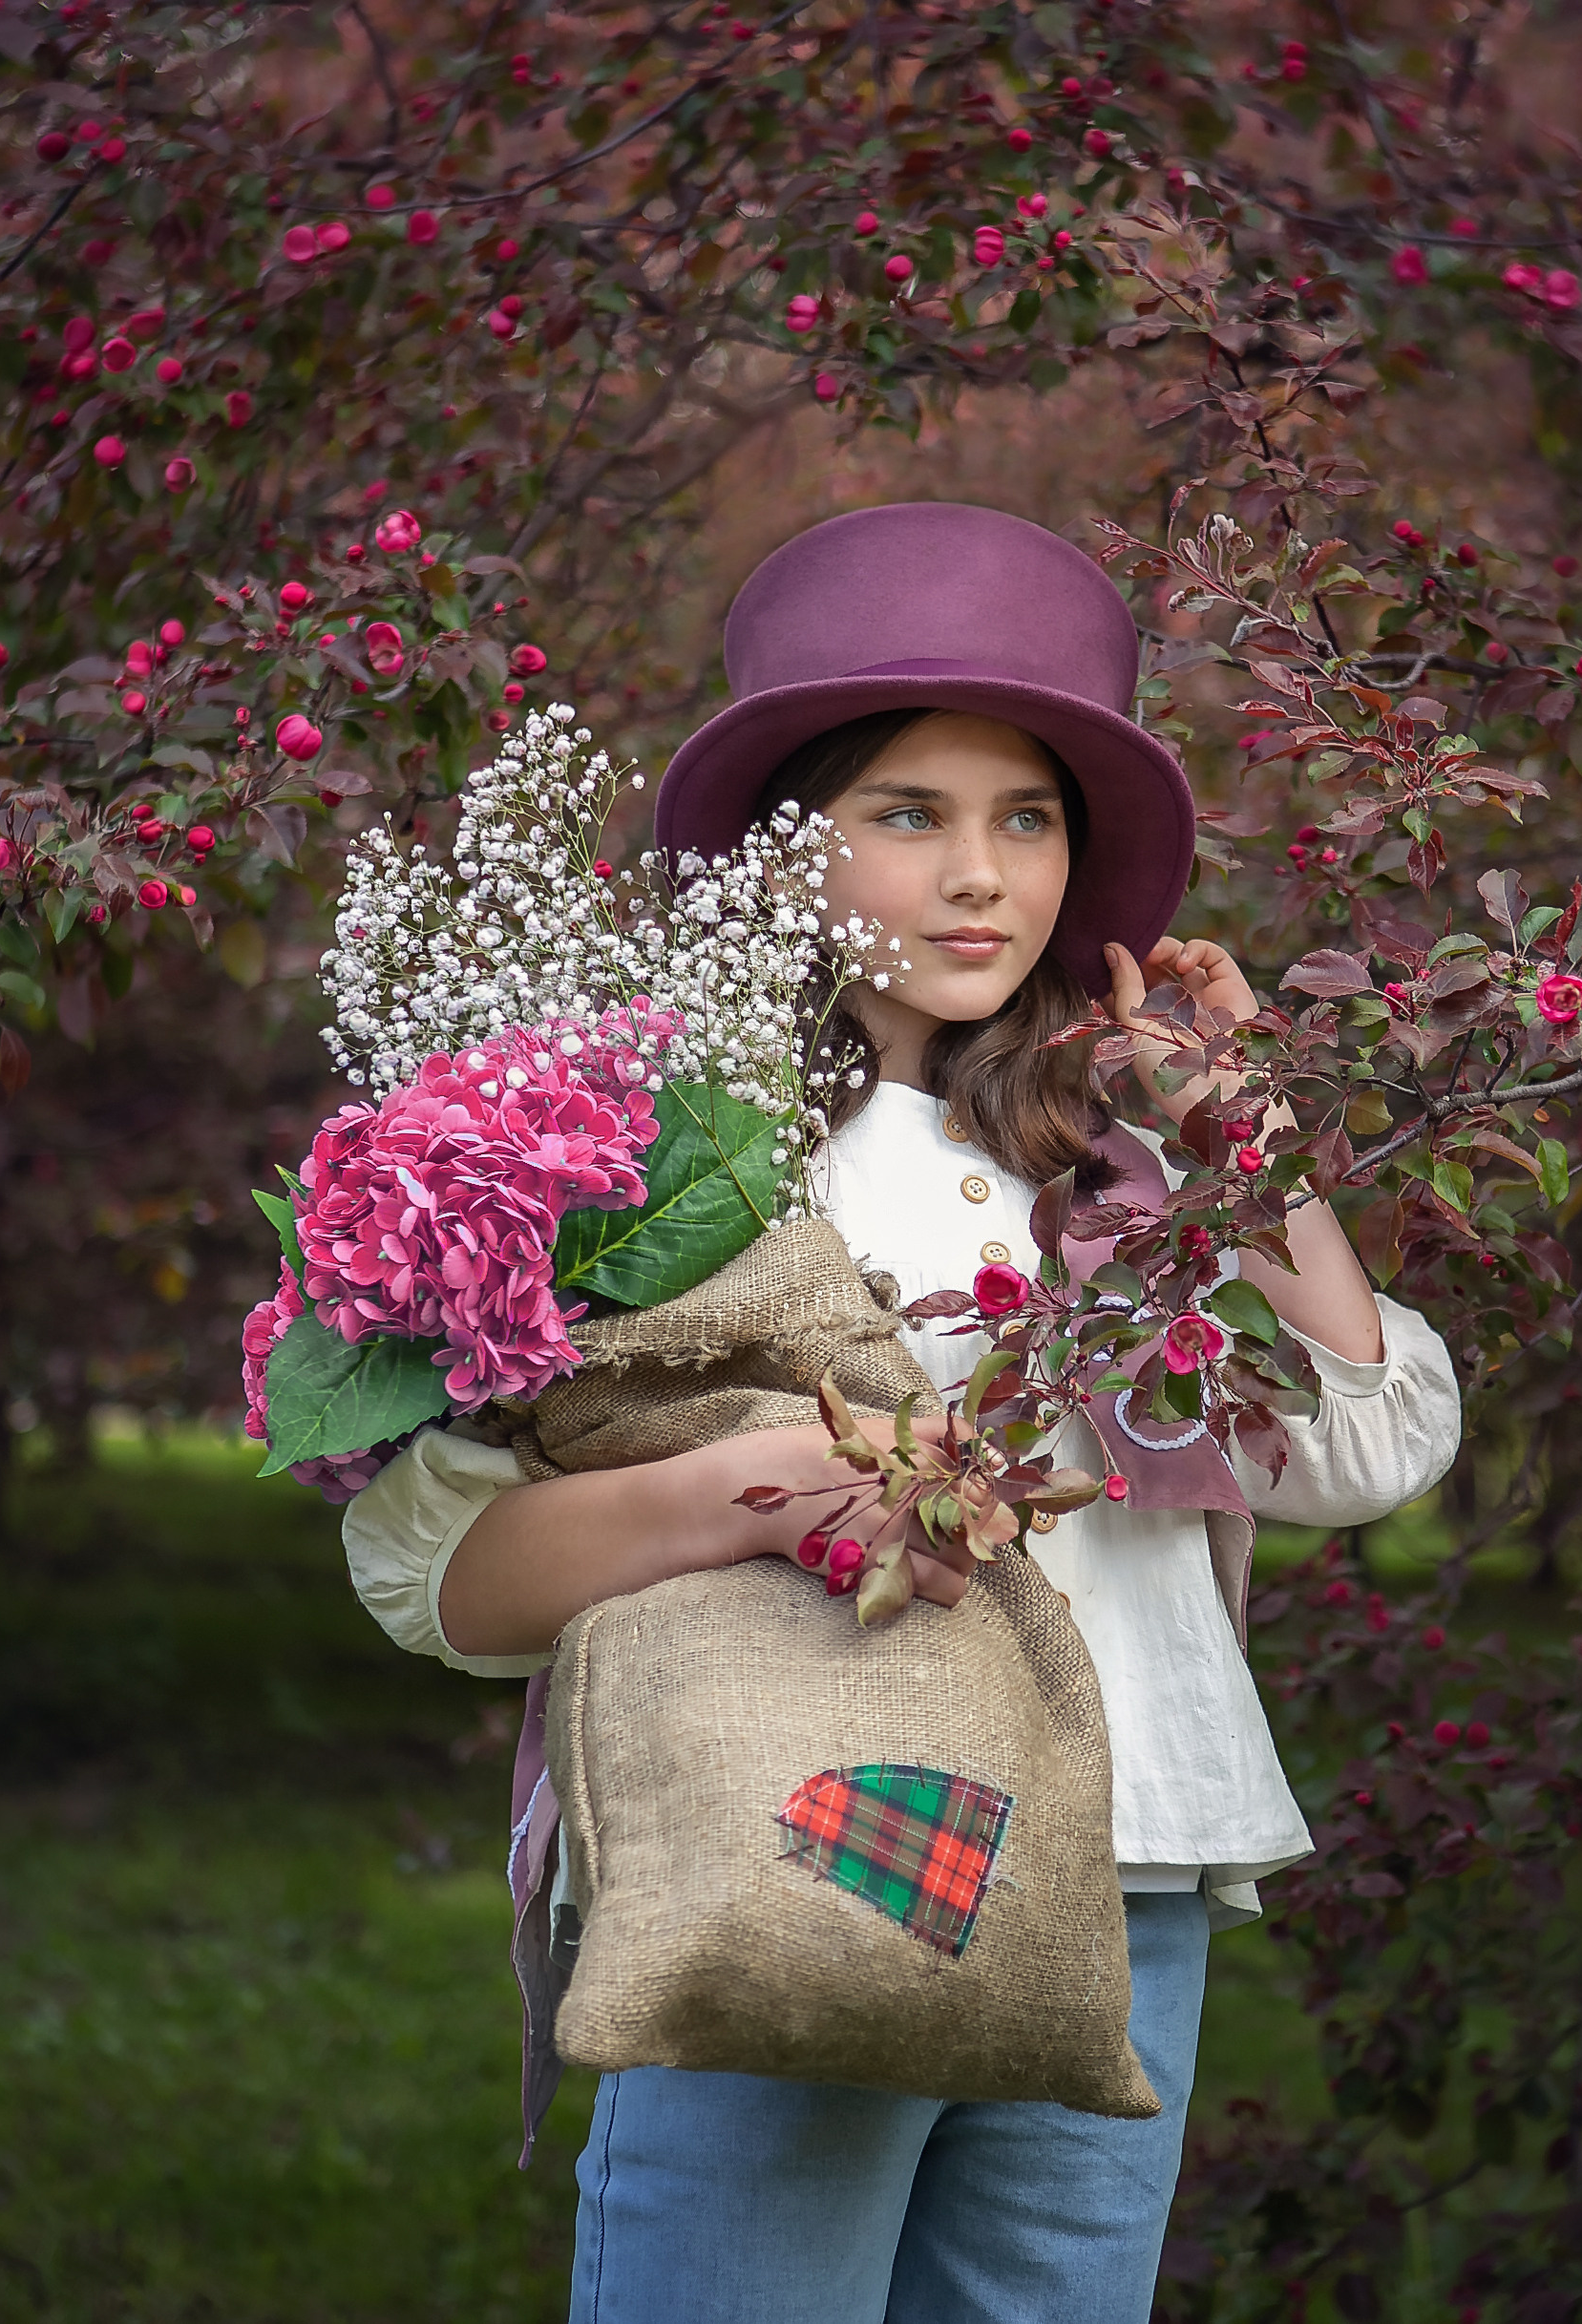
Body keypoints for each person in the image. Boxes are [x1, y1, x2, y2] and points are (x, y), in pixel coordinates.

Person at [340, 501, 1461, 2324]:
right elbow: (434, 1568)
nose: (982, 875)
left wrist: (1238, 1132)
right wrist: (754, 1488)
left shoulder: (1121, 1170)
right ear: (791, 851)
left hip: (1125, 1860)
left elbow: (1364, 1442)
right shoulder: (665, 1161)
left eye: (1027, 818)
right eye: (909, 814)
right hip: (810, 1824)